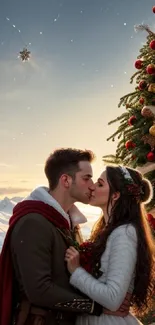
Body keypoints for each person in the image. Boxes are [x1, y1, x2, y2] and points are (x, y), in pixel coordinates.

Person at [0, 148, 96, 325]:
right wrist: (93, 306)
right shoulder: (33, 222)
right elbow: (38, 290)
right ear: (66, 180)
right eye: (86, 178)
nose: (92, 185)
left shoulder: (67, 222)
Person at [65, 165, 155, 325]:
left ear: (115, 195)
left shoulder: (124, 234)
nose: (92, 186)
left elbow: (113, 299)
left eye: (100, 184)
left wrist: (76, 271)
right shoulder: (109, 230)